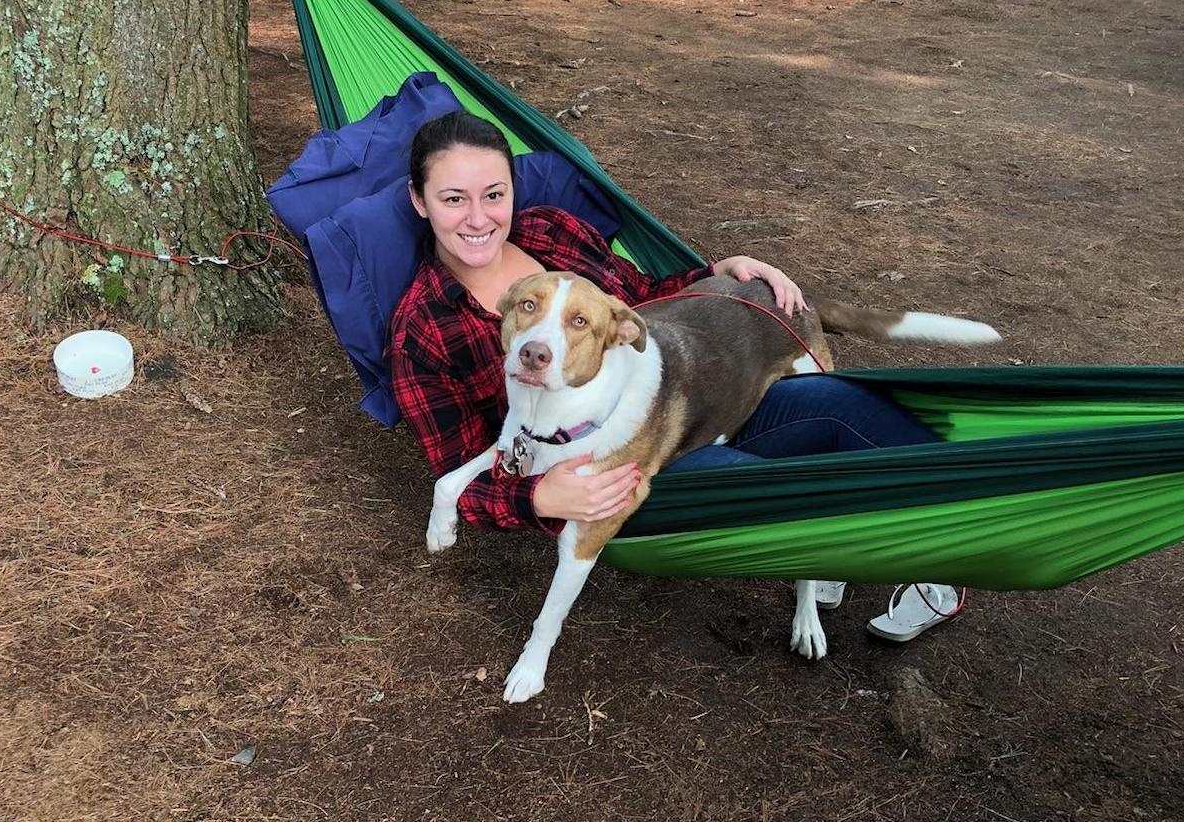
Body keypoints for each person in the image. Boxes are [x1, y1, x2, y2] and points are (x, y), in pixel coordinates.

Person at [387, 111, 961, 642]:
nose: (479, 218)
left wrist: (717, 270)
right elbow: (462, 469)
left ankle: (962, 525)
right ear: (419, 200)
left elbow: (641, 297)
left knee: (846, 408)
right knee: (773, 494)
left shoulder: (552, 232)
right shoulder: (423, 329)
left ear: (513, 192)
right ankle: (841, 552)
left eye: (494, 195)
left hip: (699, 394)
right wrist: (537, 496)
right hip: (628, 471)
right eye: (454, 198)